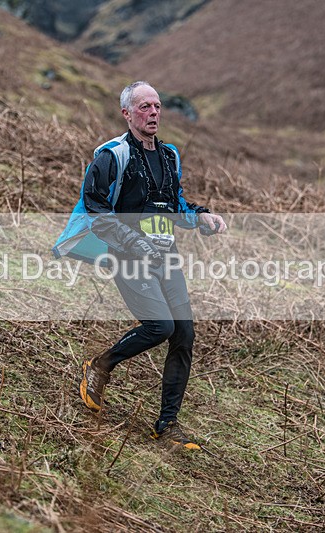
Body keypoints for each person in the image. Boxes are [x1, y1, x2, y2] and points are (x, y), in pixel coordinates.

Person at [52, 81, 227, 450]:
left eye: (158, 106)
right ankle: (100, 365)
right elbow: (97, 209)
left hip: (166, 256)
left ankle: (167, 425)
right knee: (159, 326)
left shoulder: (169, 156)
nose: (153, 113)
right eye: (144, 107)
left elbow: (173, 204)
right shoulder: (112, 156)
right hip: (128, 255)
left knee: (183, 335)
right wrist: (134, 243)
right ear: (127, 114)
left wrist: (201, 217)